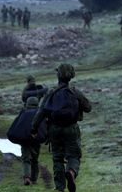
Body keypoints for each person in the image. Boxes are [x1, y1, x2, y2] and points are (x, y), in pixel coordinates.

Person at [31, 64, 92, 192]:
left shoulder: (51, 93)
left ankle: (60, 188)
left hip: (55, 130)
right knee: (73, 156)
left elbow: (41, 113)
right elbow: (88, 108)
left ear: (58, 76)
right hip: (71, 129)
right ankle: (71, 171)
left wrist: (34, 129)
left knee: (57, 158)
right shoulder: (75, 92)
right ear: (71, 76)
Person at [21, 97, 42, 185]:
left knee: (26, 159)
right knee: (35, 160)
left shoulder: (23, 113)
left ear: (27, 104)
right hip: (36, 140)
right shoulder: (40, 113)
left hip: (25, 140)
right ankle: (34, 179)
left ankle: (27, 177)